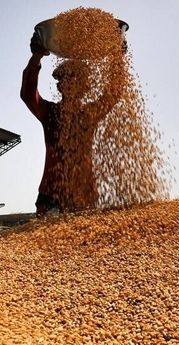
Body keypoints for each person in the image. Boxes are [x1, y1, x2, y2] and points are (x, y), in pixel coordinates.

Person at [20, 32, 122, 216]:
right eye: (67, 80)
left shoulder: (89, 114)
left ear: (86, 87)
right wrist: (36, 57)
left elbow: (113, 94)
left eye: (78, 81)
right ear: (60, 87)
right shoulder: (49, 112)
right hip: (51, 196)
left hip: (84, 195)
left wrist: (117, 59)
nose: (72, 85)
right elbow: (28, 94)